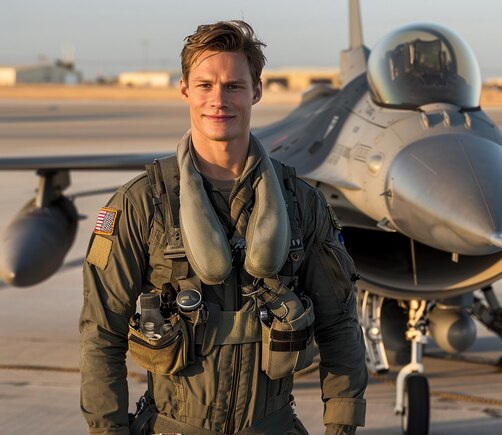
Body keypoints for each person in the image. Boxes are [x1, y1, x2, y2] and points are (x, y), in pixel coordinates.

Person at [79, 20, 367, 435]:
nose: (218, 100)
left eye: (233, 85)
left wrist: (341, 425)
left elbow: (339, 325)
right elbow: (100, 334)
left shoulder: (302, 203)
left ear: (257, 91)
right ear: (184, 90)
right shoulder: (142, 203)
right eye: (205, 85)